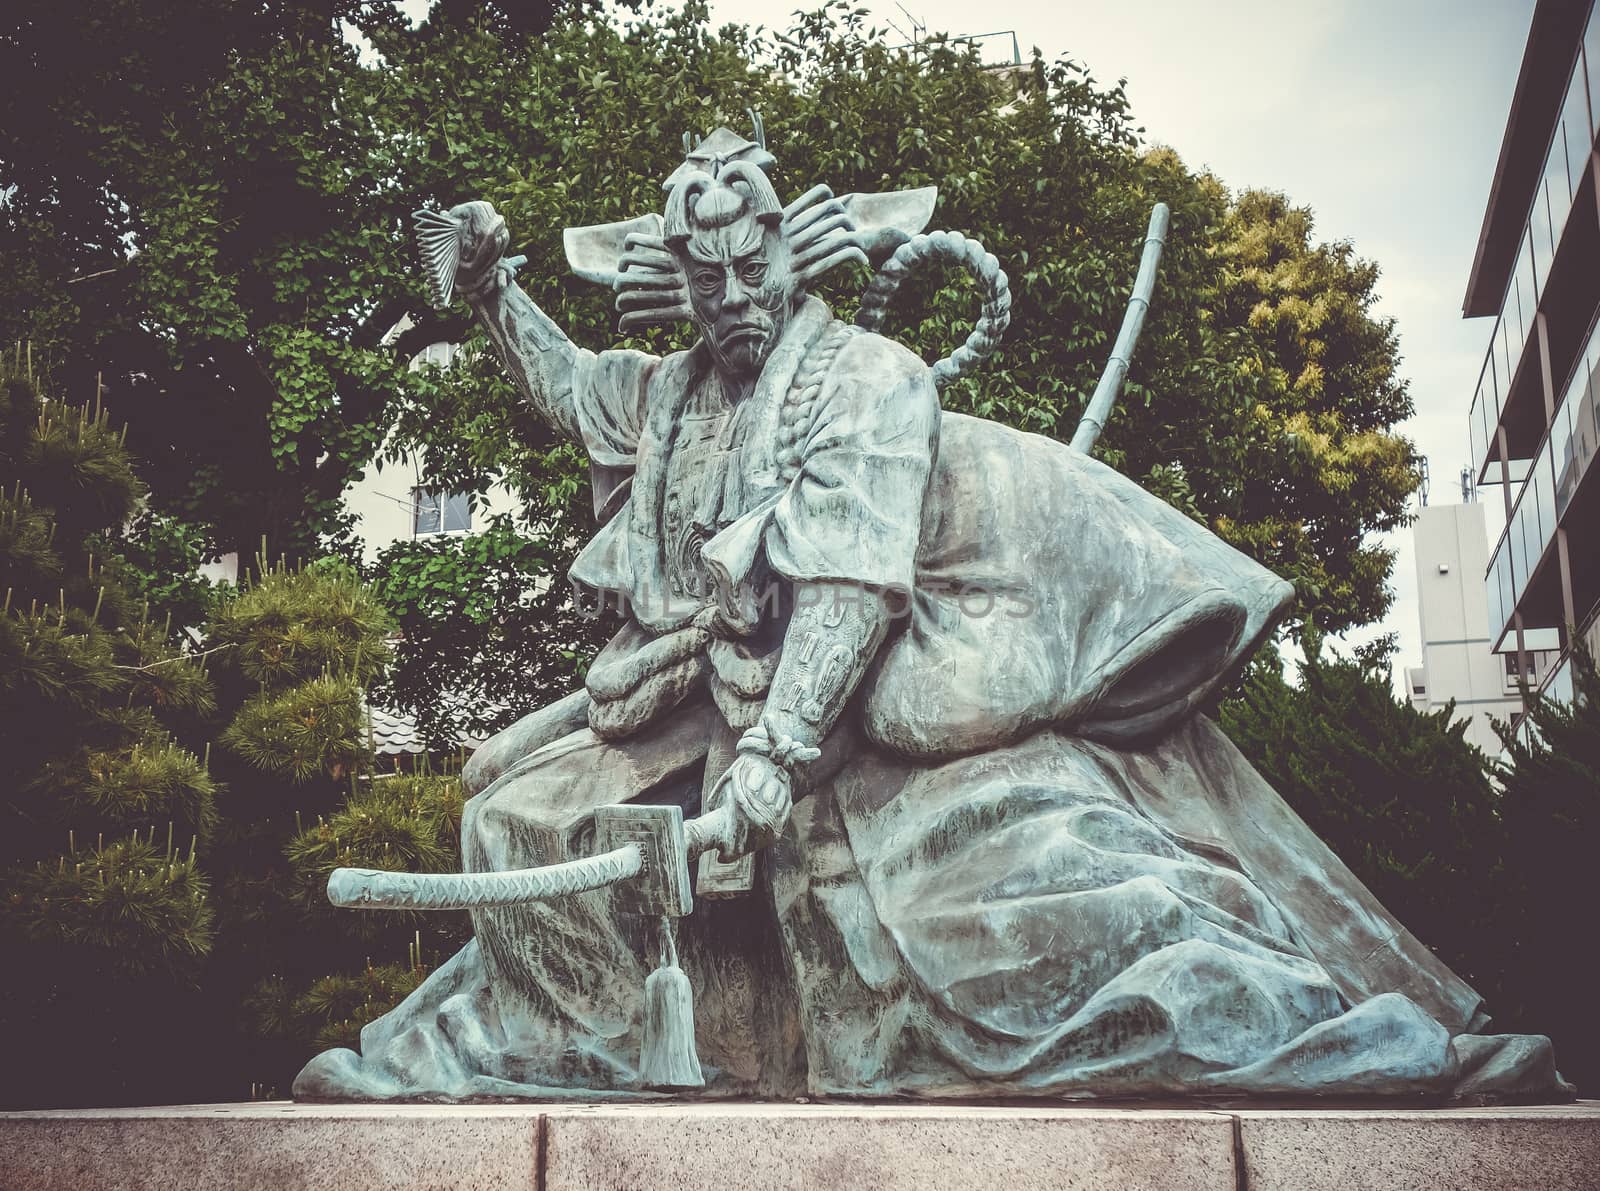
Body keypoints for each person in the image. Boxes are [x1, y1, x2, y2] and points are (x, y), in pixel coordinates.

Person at [295, 128, 1568, 1102]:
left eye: (753, 266)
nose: (734, 293)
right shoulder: (671, 393)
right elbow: (578, 392)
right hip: (697, 705)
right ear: (677, 279)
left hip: (878, 722)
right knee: (511, 809)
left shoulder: (866, 379)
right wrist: (489, 289)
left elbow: (849, 585)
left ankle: (1329, 1031)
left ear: (789, 253)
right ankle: (551, 1045)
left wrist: (769, 774)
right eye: (707, 275)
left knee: (1049, 906)